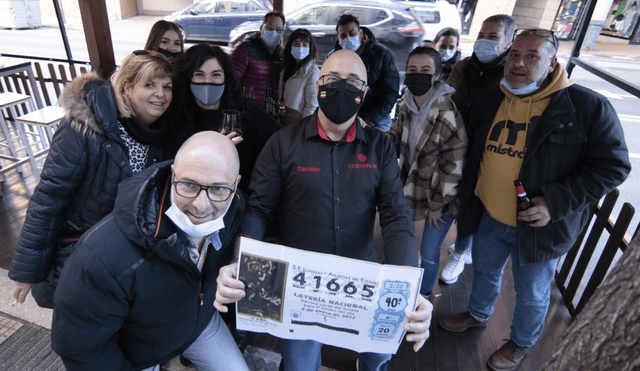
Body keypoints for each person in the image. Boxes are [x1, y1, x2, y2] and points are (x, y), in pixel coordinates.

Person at [215, 49, 433, 371]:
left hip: (361, 279)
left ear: (365, 92)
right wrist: (240, 259)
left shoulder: (380, 147)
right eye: (332, 79)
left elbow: (395, 216)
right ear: (318, 84)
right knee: (300, 365)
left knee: (378, 355)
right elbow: (258, 209)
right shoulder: (282, 143)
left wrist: (407, 281)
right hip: (300, 281)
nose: (341, 87)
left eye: (353, 81)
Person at [438, 29, 631, 371]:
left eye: (532, 57)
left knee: (531, 293)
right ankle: (478, 313)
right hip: (490, 214)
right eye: (514, 55)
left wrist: (553, 202)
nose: (519, 64)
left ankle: (521, 343)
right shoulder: (491, 98)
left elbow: (613, 166)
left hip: (541, 225)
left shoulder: (586, 106)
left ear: (552, 62)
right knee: (484, 271)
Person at [51, 131, 249, 371]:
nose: (201, 205)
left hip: (199, 322)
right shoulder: (101, 256)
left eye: (218, 189)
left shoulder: (234, 206)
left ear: (235, 185)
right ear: (173, 174)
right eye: (188, 185)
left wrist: (235, 261)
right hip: (138, 348)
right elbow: (80, 345)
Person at [9, 50, 176, 309]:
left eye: (167, 86)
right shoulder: (85, 126)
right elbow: (49, 197)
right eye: (149, 84)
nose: (161, 94)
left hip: (126, 243)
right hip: (81, 244)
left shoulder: (160, 131)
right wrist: (27, 270)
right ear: (126, 87)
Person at [440, 14, 516, 286]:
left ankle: (461, 251)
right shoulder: (462, 67)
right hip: (457, 145)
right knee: (454, 198)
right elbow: (450, 102)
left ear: (508, 43)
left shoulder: (511, 75)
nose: (484, 42)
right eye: (482, 35)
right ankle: (463, 246)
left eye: (493, 37)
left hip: (489, 151)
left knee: (474, 203)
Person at [387, 46, 467, 296]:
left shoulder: (447, 113)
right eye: (412, 70)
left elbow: (453, 165)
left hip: (440, 196)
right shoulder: (405, 104)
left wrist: (437, 205)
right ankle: (401, 288)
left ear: (436, 76)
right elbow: (395, 135)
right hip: (411, 185)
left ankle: (424, 295)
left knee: (429, 253)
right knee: (404, 241)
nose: (417, 76)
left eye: (425, 70)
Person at [168, 44, 281, 194]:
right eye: (199, 74)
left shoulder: (246, 110)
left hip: (241, 197)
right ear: (187, 78)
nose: (208, 81)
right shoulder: (175, 115)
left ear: (226, 77)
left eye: (216, 75)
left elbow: (281, 139)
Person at [330, 14, 400, 132]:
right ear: (338, 39)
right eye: (343, 36)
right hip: (345, 117)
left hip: (376, 118)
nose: (348, 38)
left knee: (377, 144)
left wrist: (371, 119)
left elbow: (390, 91)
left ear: (361, 33)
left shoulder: (381, 54)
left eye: (352, 33)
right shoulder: (334, 58)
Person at [231, 11, 285, 106]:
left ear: (282, 32)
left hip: (273, 110)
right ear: (261, 29)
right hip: (248, 108)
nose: (274, 32)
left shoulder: (282, 54)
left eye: (278, 29)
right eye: (270, 28)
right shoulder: (245, 49)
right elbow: (231, 81)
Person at [278, 28, 320, 126]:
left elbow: (312, 106)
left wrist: (304, 128)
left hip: (300, 125)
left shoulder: (312, 72)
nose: (300, 48)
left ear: (310, 48)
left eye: (305, 45)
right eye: (296, 43)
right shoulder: (286, 68)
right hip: (285, 120)